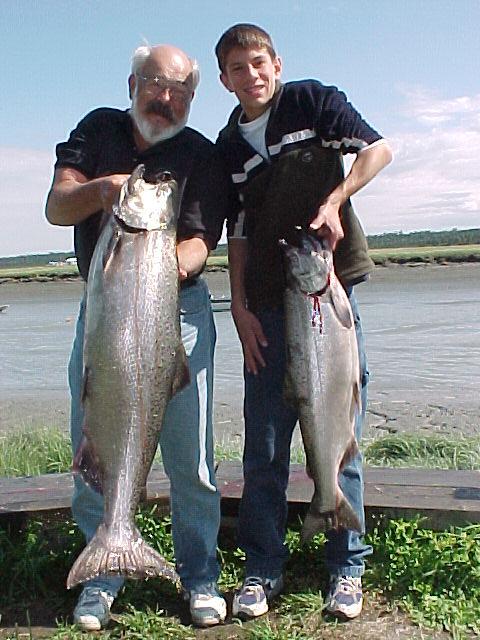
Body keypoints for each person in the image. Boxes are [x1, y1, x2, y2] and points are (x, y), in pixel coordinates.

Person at [45, 44, 229, 630]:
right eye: (156, 83)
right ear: (133, 82)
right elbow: (56, 206)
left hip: (177, 311)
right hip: (102, 317)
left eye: (180, 90)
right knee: (94, 447)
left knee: (192, 458)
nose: (167, 97)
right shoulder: (97, 129)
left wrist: (163, 264)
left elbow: (202, 239)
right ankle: (102, 572)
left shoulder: (201, 153)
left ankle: (199, 577)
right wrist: (104, 192)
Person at [214, 24, 393, 621]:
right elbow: (236, 233)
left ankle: (347, 567)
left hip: (330, 297)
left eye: (258, 63)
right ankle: (261, 570)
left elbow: (379, 149)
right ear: (224, 79)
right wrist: (238, 306)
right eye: (238, 68)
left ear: (276, 63)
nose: (251, 75)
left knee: (341, 437)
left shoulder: (314, 103)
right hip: (265, 309)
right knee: (263, 449)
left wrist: (336, 199)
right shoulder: (228, 147)